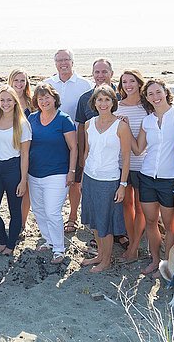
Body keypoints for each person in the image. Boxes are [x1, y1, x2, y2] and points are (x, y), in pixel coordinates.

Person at [132, 79, 174, 276]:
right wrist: (124, 128)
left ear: (165, 92)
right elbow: (138, 150)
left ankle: (168, 264)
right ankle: (155, 260)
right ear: (146, 98)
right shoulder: (148, 121)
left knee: (170, 225)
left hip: (171, 178)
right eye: (150, 94)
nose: (155, 97)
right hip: (147, 176)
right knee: (151, 222)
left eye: (158, 92)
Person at [75, 58, 127, 248]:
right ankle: (101, 239)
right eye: (97, 72)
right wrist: (81, 161)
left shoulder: (122, 97)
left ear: (112, 74)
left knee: (118, 204)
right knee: (98, 205)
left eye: (104, 71)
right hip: (94, 163)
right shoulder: (85, 99)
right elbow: (82, 132)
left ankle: (120, 233)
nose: (100, 75)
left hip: (116, 161)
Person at [80, 86, 131, 272]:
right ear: (94, 102)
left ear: (113, 102)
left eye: (107, 100)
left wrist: (123, 185)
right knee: (94, 219)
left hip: (109, 180)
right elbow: (87, 152)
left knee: (105, 222)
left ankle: (106, 260)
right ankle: (99, 255)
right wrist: (84, 181)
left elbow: (126, 157)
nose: (103, 103)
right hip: (90, 177)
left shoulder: (121, 126)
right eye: (99, 100)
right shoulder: (89, 124)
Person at [27, 83, 77, 264]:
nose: (44, 101)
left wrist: (72, 171)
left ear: (54, 98)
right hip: (34, 173)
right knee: (39, 210)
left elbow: (73, 148)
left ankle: (59, 249)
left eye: (47, 97)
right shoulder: (32, 118)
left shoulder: (64, 119)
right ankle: (48, 240)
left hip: (57, 173)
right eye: (40, 98)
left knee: (52, 211)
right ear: (36, 101)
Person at [44, 49, 91, 234]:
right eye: (59, 60)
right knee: (54, 179)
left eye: (66, 59)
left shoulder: (84, 84)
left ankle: (72, 216)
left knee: (75, 181)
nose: (63, 63)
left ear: (73, 62)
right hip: (52, 141)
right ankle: (52, 216)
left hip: (77, 139)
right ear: (55, 63)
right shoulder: (48, 83)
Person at [0, 86, 31, 255]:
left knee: (15, 211)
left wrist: (23, 180)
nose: (5, 103)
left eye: (9, 100)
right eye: (2, 100)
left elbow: (25, 154)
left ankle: (11, 245)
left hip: (14, 169)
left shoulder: (22, 124)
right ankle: (2, 240)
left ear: (15, 102)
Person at [114, 69, 149, 262]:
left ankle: (134, 247)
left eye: (132, 81)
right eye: (124, 82)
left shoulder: (147, 107)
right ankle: (131, 241)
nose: (128, 85)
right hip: (121, 163)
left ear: (139, 83)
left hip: (143, 164)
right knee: (126, 205)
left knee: (140, 206)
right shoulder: (116, 107)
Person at [7, 69, 34, 232]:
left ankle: (22, 222)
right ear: (10, 81)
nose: (19, 84)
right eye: (16, 80)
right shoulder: (6, 100)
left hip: (29, 149)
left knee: (26, 187)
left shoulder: (32, 102)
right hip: (10, 150)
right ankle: (14, 220)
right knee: (12, 188)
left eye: (22, 81)